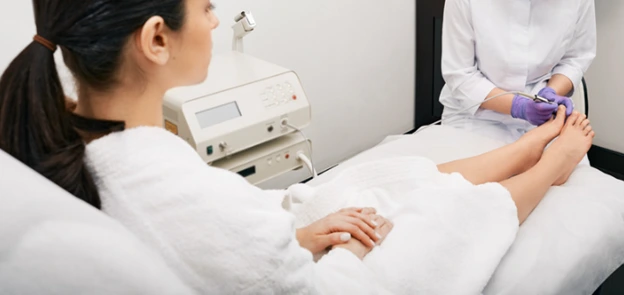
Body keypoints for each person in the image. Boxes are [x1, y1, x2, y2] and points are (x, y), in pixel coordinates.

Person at [0, 0, 595, 293]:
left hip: (281, 236)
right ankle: (552, 162)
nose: (213, 20)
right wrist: (327, 249)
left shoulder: (96, 148)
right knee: (446, 213)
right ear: (157, 38)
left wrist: (303, 233)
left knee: (390, 180)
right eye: (207, 7)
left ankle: (533, 144)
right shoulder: (164, 182)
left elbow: (229, 235)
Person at [440, 0, 597, 144]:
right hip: (477, 116)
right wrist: (518, 107)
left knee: (561, 168)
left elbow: (575, 58)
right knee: (495, 172)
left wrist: (550, 92)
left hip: (546, 119)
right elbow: (460, 74)